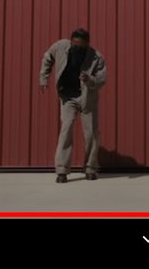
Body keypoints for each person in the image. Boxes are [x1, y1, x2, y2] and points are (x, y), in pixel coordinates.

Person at [39, 28, 108, 182]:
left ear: (87, 44)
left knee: (91, 134)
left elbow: (101, 80)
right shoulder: (60, 46)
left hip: (87, 99)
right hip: (67, 97)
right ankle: (62, 170)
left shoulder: (96, 57)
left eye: (81, 46)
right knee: (66, 130)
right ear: (71, 41)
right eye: (75, 45)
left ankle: (90, 168)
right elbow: (47, 57)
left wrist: (89, 79)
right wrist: (43, 78)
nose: (77, 48)